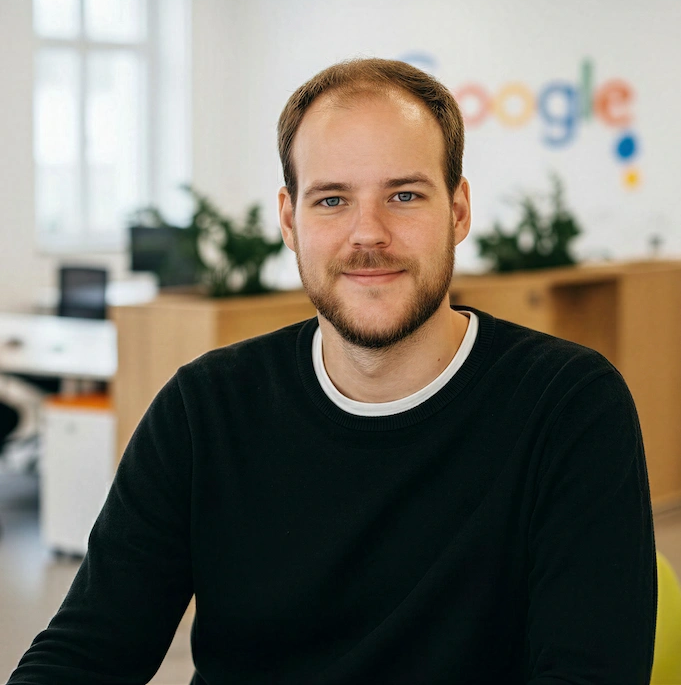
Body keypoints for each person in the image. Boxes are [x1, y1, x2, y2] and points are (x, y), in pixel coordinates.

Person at [7, 58, 657, 684]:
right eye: (330, 201)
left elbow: (587, 672)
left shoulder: (565, 406)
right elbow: (88, 649)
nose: (366, 234)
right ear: (289, 220)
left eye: (403, 195)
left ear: (457, 211)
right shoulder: (204, 409)